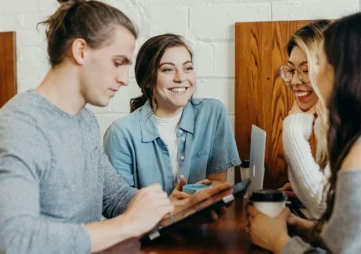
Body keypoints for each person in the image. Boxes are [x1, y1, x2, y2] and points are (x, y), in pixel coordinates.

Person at [0, 1, 229, 253]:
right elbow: (14, 238)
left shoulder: (84, 120)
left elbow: (114, 197)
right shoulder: (19, 125)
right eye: (117, 62)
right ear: (80, 51)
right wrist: (128, 224)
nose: (123, 79)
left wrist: (175, 209)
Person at [248, 11, 361, 253]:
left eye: (319, 63)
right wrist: (302, 227)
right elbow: (356, 234)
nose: (310, 75)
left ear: (348, 70)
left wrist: (277, 242)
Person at [103, 33, 241, 195]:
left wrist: (201, 195)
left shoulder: (212, 113)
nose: (181, 78)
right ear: (148, 80)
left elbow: (218, 181)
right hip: (151, 221)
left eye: (188, 68)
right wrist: (173, 207)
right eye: (168, 69)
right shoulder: (121, 133)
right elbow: (119, 202)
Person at [279, 20, 331, 219]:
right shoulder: (324, 122)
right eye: (291, 70)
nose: (294, 81)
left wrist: (292, 129)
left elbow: (322, 208)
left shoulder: (350, 123)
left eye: (306, 69)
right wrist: (302, 191)